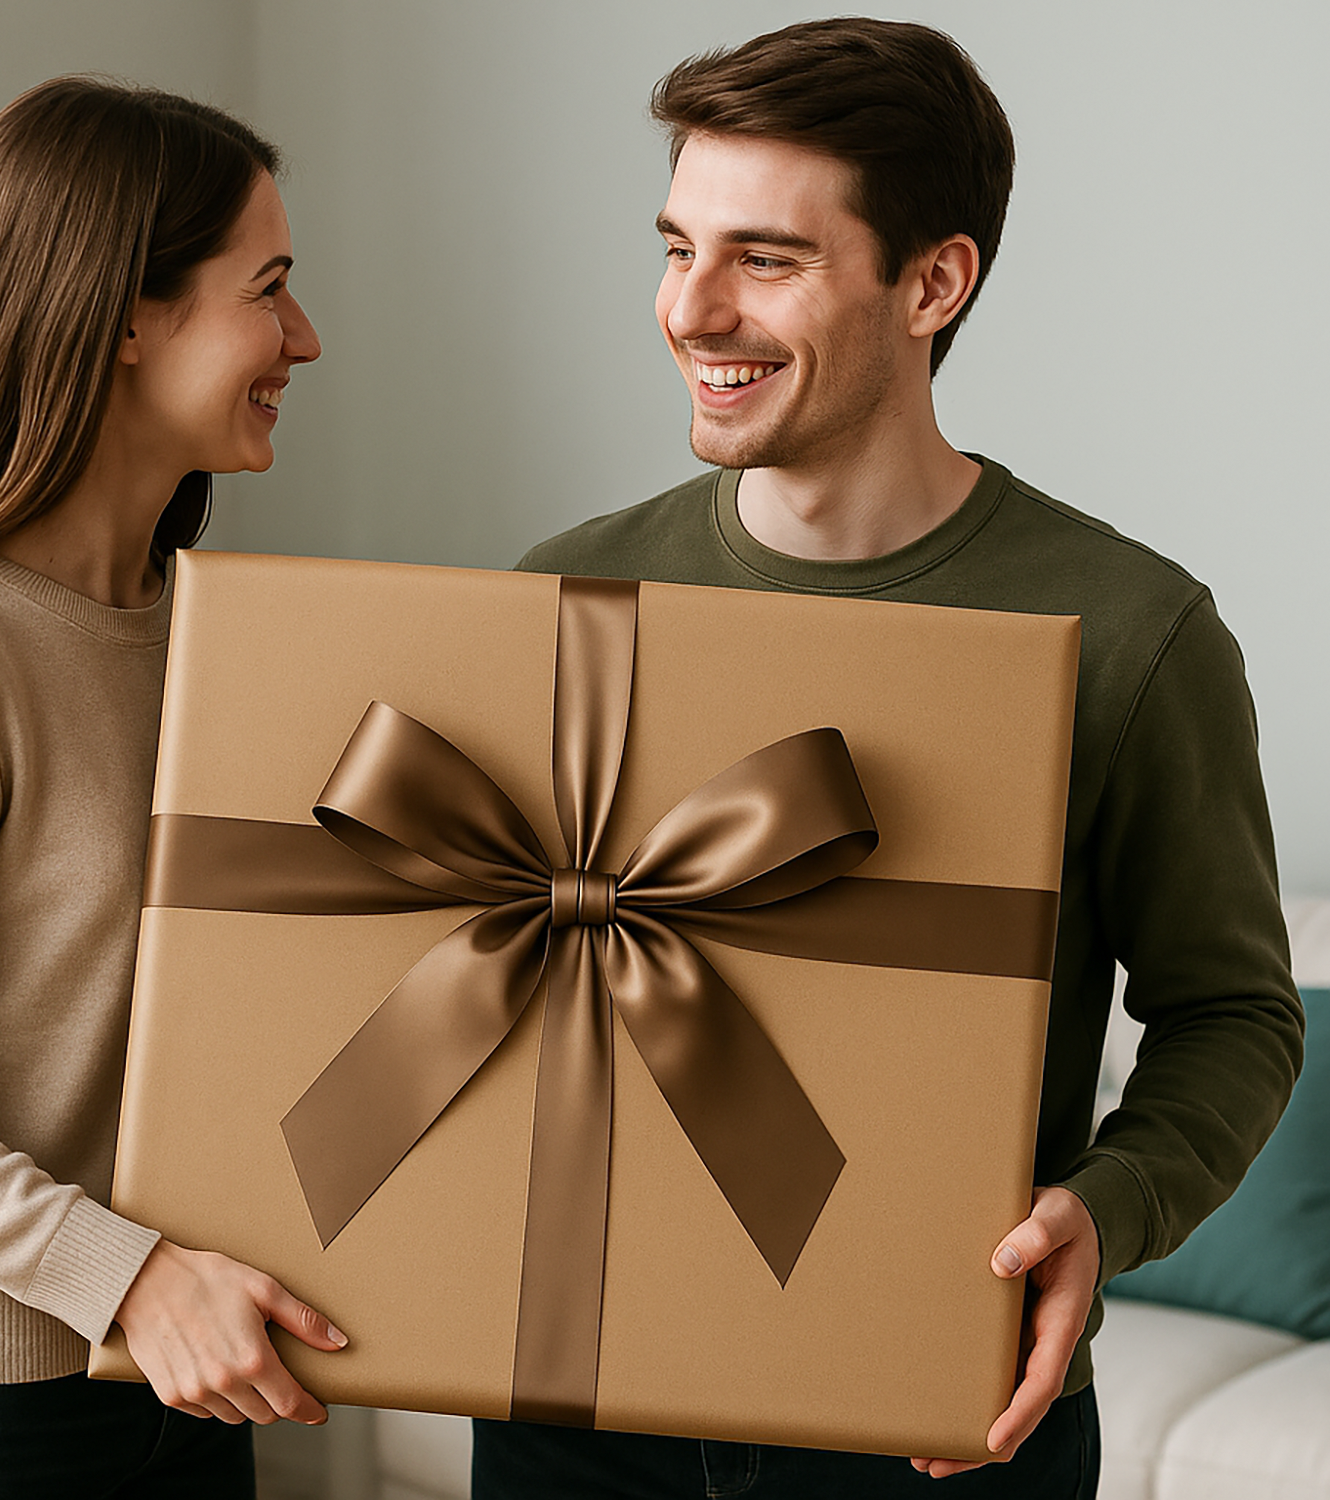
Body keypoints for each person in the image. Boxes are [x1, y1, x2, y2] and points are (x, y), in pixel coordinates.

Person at [472, 18, 1303, 1499]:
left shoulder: (1129, 630)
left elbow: (1234, 1016)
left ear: (935, 281)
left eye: (766, 260)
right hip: (570, 1405)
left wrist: (1106, 1211)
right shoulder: (562, 598)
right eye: (678, 247)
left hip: (942, 1422)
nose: (692, 309)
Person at [0, 78, 333, 1497]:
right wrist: (132, 1281)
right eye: (271, 290)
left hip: (186, 1376)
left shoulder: (212, 628)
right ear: (124, 316)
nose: (305, 339)